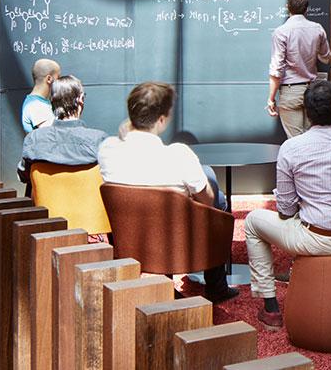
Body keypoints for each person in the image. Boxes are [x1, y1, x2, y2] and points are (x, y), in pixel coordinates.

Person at [244, 80, 331, 329]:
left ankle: (271, 308)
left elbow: (285, 209)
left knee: (253, 222)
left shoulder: (292, 148)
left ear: (306, 111)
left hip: (318, 239)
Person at [97, 82, 238, 303]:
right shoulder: (179, 155)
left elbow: (123, 138)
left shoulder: (107, 149)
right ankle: (216, 286)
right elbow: (207, 199)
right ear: (162, 119)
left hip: (132, 240)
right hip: (178, 244)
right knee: (218, 200)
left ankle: (165, 282)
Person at [16, 75, 107, 184]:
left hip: (45, 201)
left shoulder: (33, 139)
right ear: (81, 99)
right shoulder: (99, 140)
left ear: (52, 102)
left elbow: (23, 176)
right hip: (88, 201)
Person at [266, 0, 331, 138]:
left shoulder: (281, 32)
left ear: (288, 7)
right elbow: (326, 58)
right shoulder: (317, 29)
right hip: (313, 91)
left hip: (291, 91)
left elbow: (277, 70)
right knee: (312, 138)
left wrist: (271, 98)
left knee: (296, 141)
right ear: (306, 9)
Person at [21, 58, 61, 133]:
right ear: (49, 79)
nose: (60, 82)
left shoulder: (41, 102)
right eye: (58, 77)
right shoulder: (36, 106)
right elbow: (52, 135)